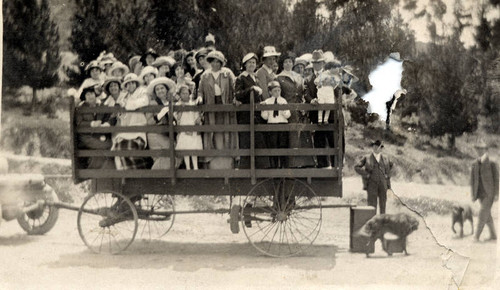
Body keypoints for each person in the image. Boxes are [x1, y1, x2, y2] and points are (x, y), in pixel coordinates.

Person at [197, 50, 238, 169]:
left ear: (221, 63)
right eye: (213, 62)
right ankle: (212, 161)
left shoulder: (227, 73)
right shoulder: (205, 75)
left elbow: (235, 88)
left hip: (225, 108)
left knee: (226, 131)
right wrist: (199, 98)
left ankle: (228, 161)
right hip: (211, 108)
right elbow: (200, 91)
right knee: (213, 132)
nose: (215, 64)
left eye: (218, 62)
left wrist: (235, 99)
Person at [276, 52, 315, 168]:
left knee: (303, 134)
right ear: (282, 64)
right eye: (285, 62)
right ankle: (292, 164)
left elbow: (303, 92)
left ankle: (306, 163)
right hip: (288, 110)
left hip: (300, 109)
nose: (288, 64)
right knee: (292, 135)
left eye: (290, 62)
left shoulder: (298, 77)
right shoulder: (279, 77)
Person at [304, 49, 340, 168]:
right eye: (314, 63)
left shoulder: (331, 76)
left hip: (330, 114)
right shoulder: (309, 79)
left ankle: (335, 166)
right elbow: (306, 93)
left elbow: (336, 91)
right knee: (319, 140)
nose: (317, 65)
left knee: (332, 139)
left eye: (319, 62)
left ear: (323, 64)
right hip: (316, 113)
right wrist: (311, 100)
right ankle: (322, 165)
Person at [234, 53, 269, 169]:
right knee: (246, 141)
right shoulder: (241, 78)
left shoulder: (256, 78)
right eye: (249, 62)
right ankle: (245, 168)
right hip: (245, 115)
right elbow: (238, 95)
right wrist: (251, 89)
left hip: (257, 115)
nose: (252, 65)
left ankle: (262, 168)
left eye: (253, 62)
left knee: (259, 141)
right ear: (244, 65)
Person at [112, 73, 152, 170]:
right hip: (127, 129)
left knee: (131, 148)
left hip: (139, 127)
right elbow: (121, 114)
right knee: (118, 148)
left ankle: (140, 171)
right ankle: (127, 174)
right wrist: (121, 111)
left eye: (133, 83)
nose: (131, 85)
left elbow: (144, 102)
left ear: (136, 83)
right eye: (128, 84)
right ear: (125, 86)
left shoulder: (142, 91)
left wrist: (126, 105)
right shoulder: (125, 96)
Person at [75, 84, 112, 169]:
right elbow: (79, 123)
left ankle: (101, 170)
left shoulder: (101, 106)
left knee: (110, 145)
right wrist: (91, 124)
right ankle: (94, 170)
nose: (90, 96)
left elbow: (108, 117)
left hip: (99, 135)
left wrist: (104, 124)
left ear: (95, 95)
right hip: (86, 136)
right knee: (105, 146)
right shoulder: (81, 108)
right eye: (87, 94)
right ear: (85, 97)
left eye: (92, 94)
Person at [146, 77, 179, 170]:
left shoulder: (172, 102)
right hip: (156, 134)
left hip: (170, 133)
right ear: (155, 92)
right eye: (157, 89)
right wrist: (158, 117)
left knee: (178, 154)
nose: (160, 91)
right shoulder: (152, 103)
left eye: (162, 88)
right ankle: (154, 176)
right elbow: (149, 122)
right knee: (169, 155)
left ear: (166, 89)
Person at [354, 140, 393, 214]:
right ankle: (372, 221)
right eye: (374, 146)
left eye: (379, 147)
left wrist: (388, 177)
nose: (376, 148)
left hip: (383, 184)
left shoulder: (386, 158)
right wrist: (366, 174)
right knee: (371, 205)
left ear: (381, 148)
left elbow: (391, 168)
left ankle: (382, 221)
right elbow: (357, 167)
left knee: (383, 204)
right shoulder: (367, 157)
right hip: (371, 184)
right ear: (372, 147)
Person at [471, 140, 498, 241]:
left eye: (481, 148)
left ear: (486, 150)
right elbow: (473, 180)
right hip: (480, 194)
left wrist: (496, 194)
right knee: (487, 214)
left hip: (489, 193)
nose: (479, 151)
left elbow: (496, 179)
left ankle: (476, 236)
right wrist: (473, 194)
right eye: (478, 149)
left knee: (482, 213)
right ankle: (493, 235)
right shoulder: (474, 163)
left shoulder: (492, 163)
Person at [261, 81, 290, 169]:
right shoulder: (267, 101)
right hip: (272, 126)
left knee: (283, 145)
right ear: (270, 92)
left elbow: (288, 115)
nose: (277, 93)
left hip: (282, 125)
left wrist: (283, 109)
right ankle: (274, 166)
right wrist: (263, 109)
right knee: (273, 145)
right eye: (275, 91)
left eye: (278, 90)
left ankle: (283, 166)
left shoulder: (283, 101)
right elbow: (265, 117)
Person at [174, 84, 203, 170]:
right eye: (183, 93)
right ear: (179, 94)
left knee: (193, 148)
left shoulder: (192, 104)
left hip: (192, 126)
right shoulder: (178, 104)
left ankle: (196, 167)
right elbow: (176, 116)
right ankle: (188, 167)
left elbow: (196, 115)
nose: (185, 95)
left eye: (187, 93)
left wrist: (198, 120)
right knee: (186, 149)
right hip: (183, 127)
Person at [315, 60, 342, 124]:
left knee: (329, 104)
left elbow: (336, 86)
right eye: (336, 68)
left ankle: (325, 119)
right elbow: (316, 81)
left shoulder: (335, 76)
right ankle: (320, 119)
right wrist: (321, 83)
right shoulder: (324, 74)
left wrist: (333, 84)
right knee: (321, 105)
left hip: (329, 91)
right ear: (332, 68)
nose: (338, 70)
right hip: (323, 90)